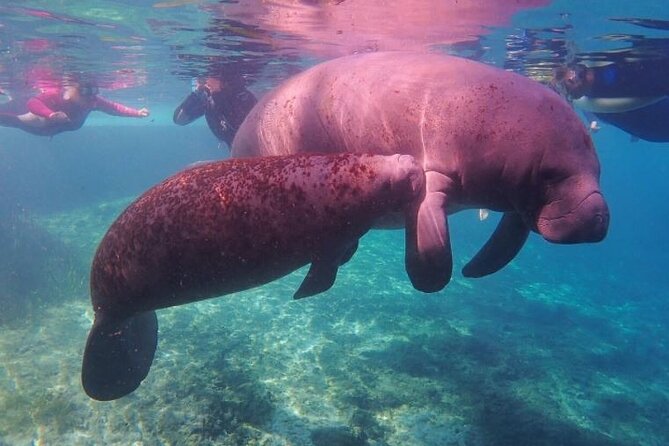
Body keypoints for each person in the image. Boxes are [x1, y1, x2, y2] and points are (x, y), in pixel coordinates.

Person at [553, 55, 669, 142]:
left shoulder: (592, 101)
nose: (570, 78)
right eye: (562, 86)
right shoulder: (595, 103)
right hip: (659, 122)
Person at [0, 82, 150, 137]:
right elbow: (33, 103)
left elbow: (114, 108)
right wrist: (51, 114)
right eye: (84, 91)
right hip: (39, 125)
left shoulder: (93, 101)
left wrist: (136, 113)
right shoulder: (56, 95)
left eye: (93, 91)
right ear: (71, 89)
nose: (90, 96)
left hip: (52, 130)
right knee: (25, 118)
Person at [173, 75, 257, 148]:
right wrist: (197, 92)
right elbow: (180, 120)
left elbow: (240, 128)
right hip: (234, 150)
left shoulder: (242, 96)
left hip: (253, 148)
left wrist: (218, 95)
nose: (208, 82)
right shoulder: (208, 100)